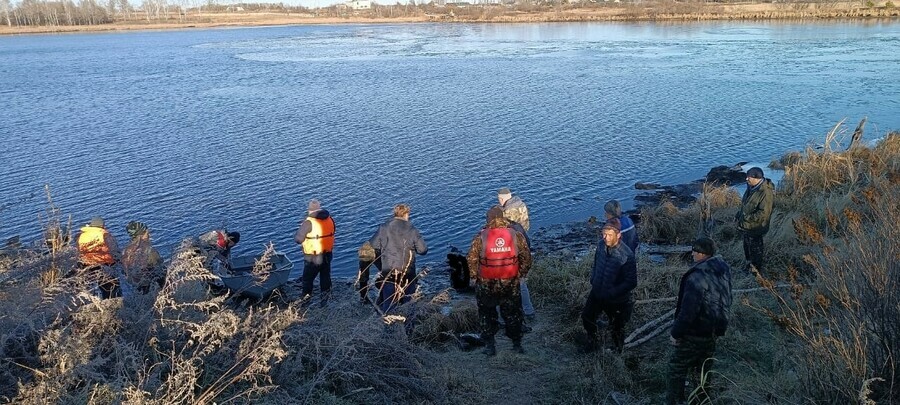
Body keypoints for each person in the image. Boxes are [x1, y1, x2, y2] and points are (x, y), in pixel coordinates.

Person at [667, 237, 733, 405]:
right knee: (703, 369)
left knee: (677, 367)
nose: (692, 254)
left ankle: (675, 401)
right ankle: (700, 400)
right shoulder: (723, 269)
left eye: (694, 252)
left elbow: (688, 312)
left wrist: (676, 333)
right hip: (713, 330)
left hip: (695, 332)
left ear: (701, 254)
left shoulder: (696, 277)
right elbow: (726, 300)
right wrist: (720, 329)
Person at [467, 206, 533, 356]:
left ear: (488, 219)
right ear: (503, 218)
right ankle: (517, 345)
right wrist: (521, 273)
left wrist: (473, 277)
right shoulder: (515, 235)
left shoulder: (480, 237)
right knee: (513, 314)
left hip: (486, 282)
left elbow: (471, 259)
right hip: (510, 281)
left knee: (487, 314)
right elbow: (527, 258)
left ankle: (490, 347)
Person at [581, 218, 637, 353]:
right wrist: (593, 279)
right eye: (603, 234)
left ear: (618, 235)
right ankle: (593, 343)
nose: (605, 237)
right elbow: (595, 264)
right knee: (587, 317)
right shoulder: (600, 246)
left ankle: (618, 351)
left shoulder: (626, 255)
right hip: (597, 292)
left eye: (609, 235)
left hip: (615, 300)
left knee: (616, 327)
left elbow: (631, 282)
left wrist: (612, 293)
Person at [368, 204, 428, 313]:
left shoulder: (383, 228)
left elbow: (373, 245)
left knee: (389, 302)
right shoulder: (412, 229)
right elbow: (423, 250)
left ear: (395, 214)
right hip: (408, 271)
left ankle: (388, 324)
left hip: (389, 272)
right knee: (408, 302)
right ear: (406, 214)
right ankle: (408, 325)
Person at [497, 187, 537, 323]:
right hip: (523, 239)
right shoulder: (520, 203)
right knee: (521, 282)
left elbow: (504, 230)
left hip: (511, 249)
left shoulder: (508, 211)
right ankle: (528, 311)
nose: (499, 201)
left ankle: (506, 317)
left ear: (503, 198)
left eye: (499, 199)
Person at [294, 199, 335, 307]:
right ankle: (325, 301)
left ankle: (306, 300)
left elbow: (298, 239)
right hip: (327, 254)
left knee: (307, 279)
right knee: (325, 277)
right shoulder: (330, 219)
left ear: (310, 210)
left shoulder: (308, 223)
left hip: (313, 257)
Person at [735, 167, 775, 273]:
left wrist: (746, 218)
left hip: (756, 227)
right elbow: (746, 205)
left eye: (749, 177)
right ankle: (749, 266)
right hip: (747, 226)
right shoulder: (751, 187)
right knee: (747, 247)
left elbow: (763, 214)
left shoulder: (766, 193)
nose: (746, 179)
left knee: (756, 250)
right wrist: (739, 214)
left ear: (756, 178)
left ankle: (756, 272)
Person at [76, 216, 121, 299]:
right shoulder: (104, 234)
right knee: (112, 288)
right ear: (102, 225)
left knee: (94, 289)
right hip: (105, 265)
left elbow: (78, 251)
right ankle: (115, 305)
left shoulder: (82, 236)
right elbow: (115, 250)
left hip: (87, 267)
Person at [121, 221, 163, 294]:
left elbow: (124, 271)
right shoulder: (149, 250)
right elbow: (159, 268)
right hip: (149, 285)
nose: (149, 235)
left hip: (134, 286)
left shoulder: (125, 250)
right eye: (147, 233)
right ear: (141, 235)